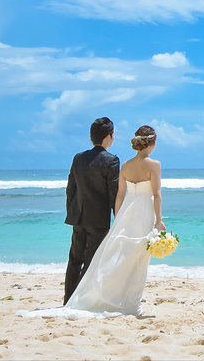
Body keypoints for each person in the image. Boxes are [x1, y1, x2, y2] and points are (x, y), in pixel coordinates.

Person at [22, 125, 166, 319]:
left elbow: (112, 195)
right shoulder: (137, 163)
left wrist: (117, 219)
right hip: (124, 216)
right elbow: (149, 194)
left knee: (79, 259)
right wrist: (157, 220)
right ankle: (111, 300)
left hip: (97, 216)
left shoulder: (106, 162)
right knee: (118, 260)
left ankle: (72, 299)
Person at [64, 117, 119, 305]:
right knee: (91, 262)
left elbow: (71, 188)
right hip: (98, 219)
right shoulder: (111, 160)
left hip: (78, 217)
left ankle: (68, 299)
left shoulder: (78, 158)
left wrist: (71, 212)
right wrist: (118, 218)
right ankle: (79, 301)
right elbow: (114, 194)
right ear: (108, 137)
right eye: (113, 135)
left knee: (74, 260)